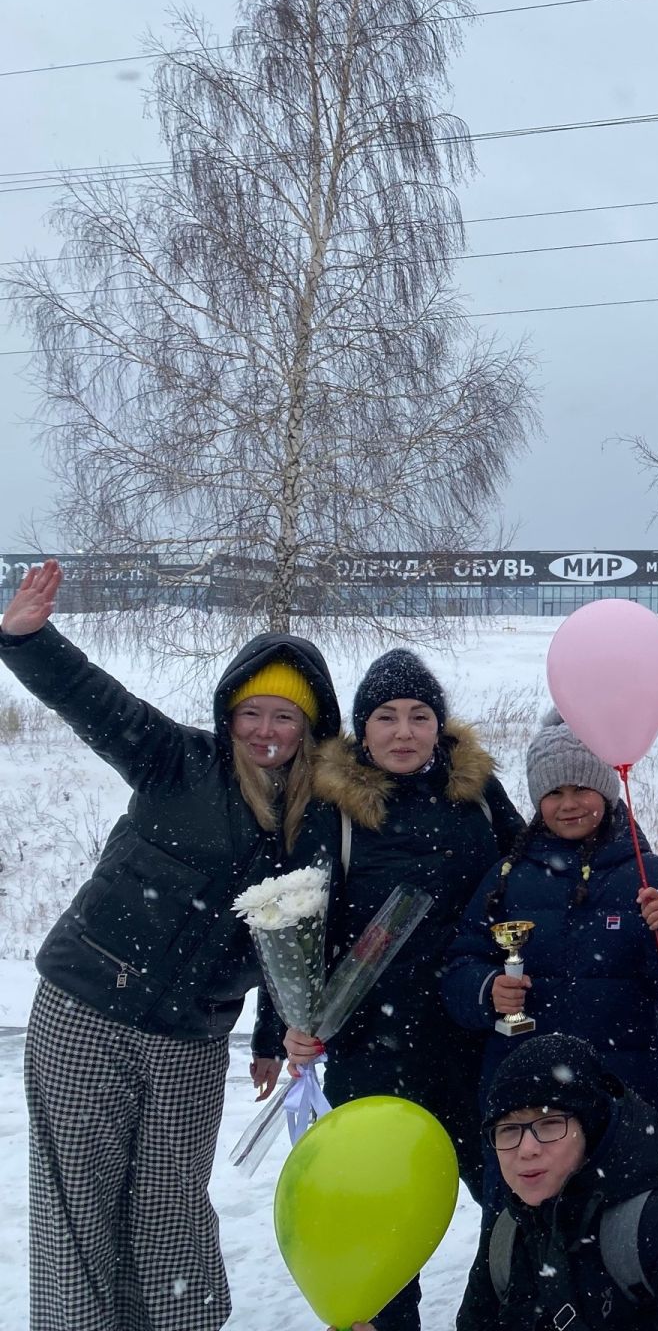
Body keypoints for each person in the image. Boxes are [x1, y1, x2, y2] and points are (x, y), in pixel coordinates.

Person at [0, 558, 340, 1331]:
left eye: (284, 717)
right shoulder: (176, 760)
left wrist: (265, 1031)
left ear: (311, 727)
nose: (265, 731)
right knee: (76, 1203)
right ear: (229, 715)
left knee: (170, 1204)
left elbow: (288, 935)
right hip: (87, 1010)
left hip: (193, 1035)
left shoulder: (318, 820)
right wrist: (25, 640)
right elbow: (95, 700)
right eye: (251, 712)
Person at [273, 650, 524, 1331]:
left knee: (513, 1207)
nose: (404, 732)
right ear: (362, 728)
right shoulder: (335, 809)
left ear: (440, 726)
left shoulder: (476, 794)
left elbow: (530, 875)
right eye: (386, 717)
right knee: (381, 1216)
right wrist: (287, 1023)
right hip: (374, 1047)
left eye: (419, 716)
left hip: (474, 1040)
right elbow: (296, 922)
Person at [442, 717, 658, 1125]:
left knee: (622, 1188)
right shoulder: (507, 878)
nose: (569, 805)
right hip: (525, 1089)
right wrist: (487, 990)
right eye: (554, 793)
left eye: (582, 788)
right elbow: (460, 965)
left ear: (605, 788)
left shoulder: (649, 875)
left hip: (623, 1089)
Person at [458, 1032, 658, 1331]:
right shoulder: (508, 1233)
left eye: (549, 1124)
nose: (526, 1149)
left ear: (591, 1129)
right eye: (508, 1130)